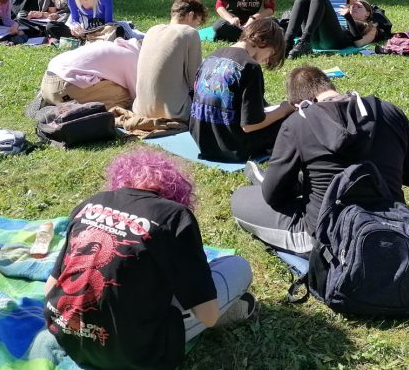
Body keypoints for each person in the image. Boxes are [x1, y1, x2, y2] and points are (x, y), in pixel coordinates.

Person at [45, 149, 255, 370]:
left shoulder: (90, 203)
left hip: (64, 332)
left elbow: (51, 287)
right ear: (176, 192)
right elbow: (208, 316)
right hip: (133, 353)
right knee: (237, 267)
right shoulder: (175, 216)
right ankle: (233, 309)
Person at [230, 66, 409, 255]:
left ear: (297, 104)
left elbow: (274, 196)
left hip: (328, 235)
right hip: (390, 217)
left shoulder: (298, 123)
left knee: (240, 198)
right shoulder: (389, 111)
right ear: (330, 86)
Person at [190, 18, 292, 163]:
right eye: (271, 54)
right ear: (264, 42)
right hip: (232, 147)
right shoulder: (250, 66)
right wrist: (283, 110)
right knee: (291, 119)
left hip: (203, 142)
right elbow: (249, 125)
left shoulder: (213, 55)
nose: (267, 60)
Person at [132, 0, 207, 121]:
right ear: (190, 16)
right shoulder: (189, 33)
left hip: (140, 109)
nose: (196, 27)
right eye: (197, 22)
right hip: (175, 112)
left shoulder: (152, 30)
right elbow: (195, 82)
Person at [41, 37, 141, 110]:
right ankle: (67, 109)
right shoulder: (131, 57)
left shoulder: (113, 45)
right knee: (125, 96)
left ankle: (57, 104)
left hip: (47, 83)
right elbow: (138, 95)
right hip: (63, 89)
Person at [284, 0, 385, 59]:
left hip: (335, 41)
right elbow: (320, 5)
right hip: (317, 39)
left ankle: (304, 41)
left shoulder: (371, 27)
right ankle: (287, 43)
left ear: (367, 13)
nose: (354, 7)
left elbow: (359, 43)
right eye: (353, 6)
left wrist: (348, 17)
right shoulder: (340, 17)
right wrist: (347, 1)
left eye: (359, 7)